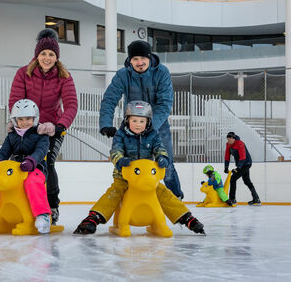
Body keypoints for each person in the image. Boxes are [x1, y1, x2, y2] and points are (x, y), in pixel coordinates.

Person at [74, 101, 204, 235]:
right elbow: (115, 151)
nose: (138, 124)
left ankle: (186, 217)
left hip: (146, 177)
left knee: (163, 192)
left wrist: (162, 157)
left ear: (148, 122)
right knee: (114, 192)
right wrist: (119, 160)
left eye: (142, 121)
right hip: (124, 176)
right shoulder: (121, 134)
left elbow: (160, 147)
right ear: (127, 120)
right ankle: (93, 218)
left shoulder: (153, 134)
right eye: (134, 120)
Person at [9, 28, 78, 224]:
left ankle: (52, 207)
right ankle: (18, 204)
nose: (47, 58)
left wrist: (59, 125)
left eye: (51, 54)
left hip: (52, 129)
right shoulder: (23, 73)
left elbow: (71, 104)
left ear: (56, 57)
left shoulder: (64, 76)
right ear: (36, 55)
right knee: (19, 162)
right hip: (28, 127)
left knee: (47, 164)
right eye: (43, 54)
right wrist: (19, 122)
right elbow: (15, 100)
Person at [99, 40, 183, 199]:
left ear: (149, 57)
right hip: (132, 126)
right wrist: (106, 125)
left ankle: (176, 198)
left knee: (165, 162)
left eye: (143, 58)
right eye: (135, 59)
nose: (139, 62)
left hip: (158, 125)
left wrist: (152, 126)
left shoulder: (161, 72)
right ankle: (130, 198)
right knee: (129, 164)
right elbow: (110, 99)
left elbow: (165, 103)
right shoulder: (123, 75)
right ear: (129, 60)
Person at [0, 99, 52, 233]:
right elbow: (4, 151)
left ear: (35, 118)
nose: (24, 122)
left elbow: (41, 151)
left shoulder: (41, 135)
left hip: (36, 168)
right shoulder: (12, 135)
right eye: (20, 119)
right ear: (15, 120)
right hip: (15, 169)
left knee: (32, 181)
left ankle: (42, 215)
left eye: (28, 118)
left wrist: (31, 161)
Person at [224, 132, 261, 205]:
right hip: (240, 164)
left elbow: (243, 157)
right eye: (228, 138)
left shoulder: (240, 143)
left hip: (246, 163)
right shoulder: (228, 144)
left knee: (233, 178)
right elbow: (227, 156)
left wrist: (238, 168)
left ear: (234, 138)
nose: (229, 140)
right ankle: (256, 199)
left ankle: (232, 199)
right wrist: (226, 167)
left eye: (231, 138)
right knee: (247, 181)